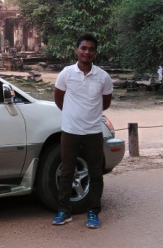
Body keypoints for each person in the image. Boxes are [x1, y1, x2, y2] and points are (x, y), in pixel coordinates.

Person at [52, 34, 113, 229]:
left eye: (91, 49)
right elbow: (58, 99)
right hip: (70, 131)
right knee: (67, 172)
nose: (87, 52)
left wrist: (89, 116)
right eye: (83, 48)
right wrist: (73, 116)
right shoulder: (66, 74)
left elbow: (105, 103)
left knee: (95, 173)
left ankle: (93, 211)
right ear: (76, 50)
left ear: (95, 52)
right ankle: (64, 211)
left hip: (94, 132)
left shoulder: (103, 77)